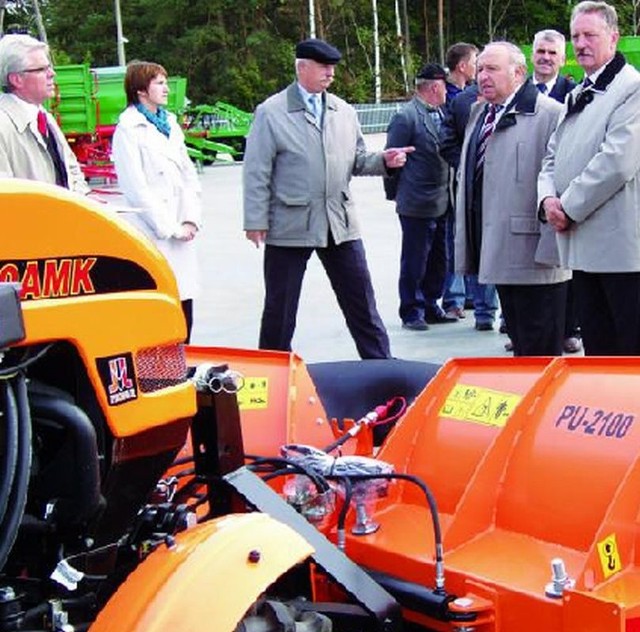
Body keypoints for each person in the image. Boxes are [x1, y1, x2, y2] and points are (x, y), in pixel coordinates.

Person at [243, 38, 413, 359]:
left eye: (333, 67)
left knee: (361, 302)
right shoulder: (272, 112)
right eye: (323, 67)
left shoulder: (343, 111)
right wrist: (255, 221)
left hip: (339, 221)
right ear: (301, 67)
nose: (330, 73)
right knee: (280, 308)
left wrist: (384, 161)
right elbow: (256, 171)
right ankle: (271, 373)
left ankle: (381, 368)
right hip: (290, 223)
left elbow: (358, 159)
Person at [455, 42, 570, 356]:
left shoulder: (550, 115)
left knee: (541, 355)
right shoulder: (480, 112)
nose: (483, 76)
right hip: (497, 250)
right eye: (480, 69)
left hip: (536, 257)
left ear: (519, 73)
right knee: (521, 351)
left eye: (492, 69)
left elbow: (561, 182)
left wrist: (553, 250)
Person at [538, 1, 640, 356]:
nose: (580, 43)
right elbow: (551, 155)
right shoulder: (577, 92)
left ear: (613, 38)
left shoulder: (631, 89)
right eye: (576, 35)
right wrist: (546, 200)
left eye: (590, 35)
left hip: (620, 254)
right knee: (598, 355)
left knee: (627, 355)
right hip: (581, 248)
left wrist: (567, 207)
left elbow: (616, 162)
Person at [111, 60, 202, 342]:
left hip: (181, 230)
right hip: (155, 232)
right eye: (159, 83)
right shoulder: (128, 129)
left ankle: (185, 362)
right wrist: (169, 227)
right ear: (141, 90)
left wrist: (190, 219)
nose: (166, 88)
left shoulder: (170, 124)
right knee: (160, 304)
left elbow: (188, 174)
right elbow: (135, 187)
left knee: (184, 302)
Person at [384, 63, 455, 331]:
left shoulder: (442, 113)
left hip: (441, 200)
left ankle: (430, 304)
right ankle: (411, 310)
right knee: (415, 259)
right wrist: (398, 197)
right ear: (435, 87)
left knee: (440, 259)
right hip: (416, 203)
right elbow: (390, 162)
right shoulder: (406, 117)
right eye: (445, 87)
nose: (447, 92)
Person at [531, 29, 582, 355]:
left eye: (553, 53)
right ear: (532, 56)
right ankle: (525, 328)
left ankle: (568, 328)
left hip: (562, 193)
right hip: (526, 193)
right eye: (541, 51)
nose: (546, 58)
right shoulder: (517, 93)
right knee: (529, 266)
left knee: (565, 268)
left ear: (563, 59)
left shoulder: (574, 94)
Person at [0, 33, 88, 193]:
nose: (52, 74)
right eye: (42, 69)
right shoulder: (3, 126)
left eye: (50, 67)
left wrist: (83, 200)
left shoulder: (43, 116)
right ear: (16, 79)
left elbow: (71, 169)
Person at [441, 43, 478, 322]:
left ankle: (472, 297)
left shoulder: (480, 95)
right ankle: (454, 297)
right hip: (452, 184)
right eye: (477, 62)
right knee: (456, 238)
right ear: (463, 66)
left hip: (472, 182)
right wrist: (465, 166)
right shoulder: (449, 98)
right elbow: (447, 142)